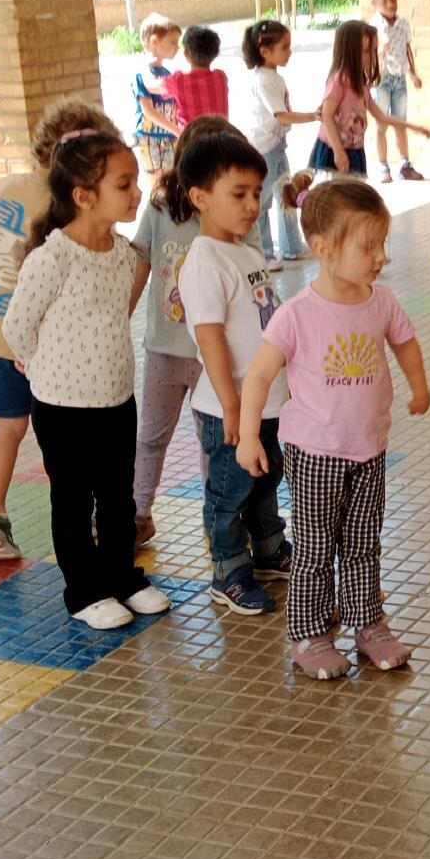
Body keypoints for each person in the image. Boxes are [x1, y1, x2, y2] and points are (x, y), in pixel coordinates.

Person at [236, 178, 430, 680]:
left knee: (364, 543)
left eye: (382, 243)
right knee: (318, 547)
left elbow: (405, 341)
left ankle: (368, 622)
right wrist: (249, 434)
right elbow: (259, 375)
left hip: (369, 447)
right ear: (323, 249)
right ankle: (311, 633)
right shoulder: (297, 314)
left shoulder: (380, 301)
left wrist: (419, 386)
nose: (380, 256)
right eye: (367, 246)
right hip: (315, 451)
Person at [0, 127, 171, 631]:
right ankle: (83, 590)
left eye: (136, 183)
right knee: (73, 501)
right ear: (83, 196)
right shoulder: (52, 258)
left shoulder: (123, 255)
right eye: (124, 184)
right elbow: (17, 327)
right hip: (61, 407)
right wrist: (40, 366)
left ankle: (122, 577)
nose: (136, 193)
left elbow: (114, 316)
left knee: (119, 496)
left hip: (117, 398)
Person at [0, 97, 121, 560]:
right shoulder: (62, 204)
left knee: (7, 426)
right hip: (40, 340)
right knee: (69, 433)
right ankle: (85, 517)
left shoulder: (6, 186)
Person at [174, 131, 290, 617]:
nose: (251, 205)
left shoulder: (244, 251)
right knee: (229, 490)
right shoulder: (204, 261)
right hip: (230, 408)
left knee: (266, 478)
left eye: (256, 194)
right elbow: (211, 340)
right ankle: (228, 569)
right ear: (200, 197)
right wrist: (233, 409)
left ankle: (267, 548)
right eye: (238, 194)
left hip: (262, 403)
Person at [128, 114, 232, 543]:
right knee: (151, 437)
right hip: (165, 351)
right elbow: (142, 259)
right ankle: (136, 515)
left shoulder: (233, 217)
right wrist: (121, 315)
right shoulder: (159, 208)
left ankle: (218, 518)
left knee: (214, 442)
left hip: (215, 354)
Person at [235, 19, 315, 269]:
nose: (289, 52)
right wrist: (314, 116)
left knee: (286, 195)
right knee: (264, 200)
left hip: (277, 145)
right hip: (264, 149)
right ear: (264, 51)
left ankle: (291, 246)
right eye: (285, 47)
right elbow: (280, 114)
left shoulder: (272, 76)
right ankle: (263, 252)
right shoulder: (263, 80)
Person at [313, 19, 428, 179]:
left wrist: (413, 127)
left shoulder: (362, 83)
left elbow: (380, 116)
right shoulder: (339, 81)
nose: (372, 57)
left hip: (354, 150)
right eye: (366, 51)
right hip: (334, 153)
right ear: (350, 51)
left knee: (356, 198)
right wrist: (338, 151)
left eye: (374, 50)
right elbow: (326, 115)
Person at [368, 0, 425, 181]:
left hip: (399, 78)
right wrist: (378, 51)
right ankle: (383, 166)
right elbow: (367, 54)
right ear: (374, 3)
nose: (391, 3)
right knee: (381, 124)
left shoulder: (402, 24)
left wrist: (413, 73)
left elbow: (407, 50)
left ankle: (405, 164)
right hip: (381, 79)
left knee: (400, 123)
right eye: (385, 0)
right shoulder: (373, 27)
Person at [131, 12, 182, 173]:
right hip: (149, 137)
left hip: (170, 137)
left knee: (170, 180)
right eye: (172, 42)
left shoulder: (168, 73)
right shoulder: (141, 73)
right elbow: (149, 111)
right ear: (154, 41)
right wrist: (175, 129)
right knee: (154, 183)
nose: (177, 47)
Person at [167, 24, 230, 124]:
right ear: (216, 53)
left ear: (186, 54)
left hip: (192, 138)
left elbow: (151, 86)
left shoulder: (178, 81)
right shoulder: (220, 77)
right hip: (221, 137)